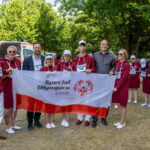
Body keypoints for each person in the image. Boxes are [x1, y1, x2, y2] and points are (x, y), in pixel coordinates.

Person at [91, 39, 115, 127]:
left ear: (108, 46)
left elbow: (114, 66)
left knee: (106, 101)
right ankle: (94, 119)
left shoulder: (111, 56)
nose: (104, 46)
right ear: (100, 45)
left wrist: (112, 70)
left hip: (107, 82)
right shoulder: (95, 55)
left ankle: (103, 118)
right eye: (102, 44)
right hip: (96, 82)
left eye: (106, 44)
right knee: (95, 101)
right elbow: (92, 67)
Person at [73, 40, 96, 127]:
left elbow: (94, 68)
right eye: (80, 45)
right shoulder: (75, 58)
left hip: (87, 82)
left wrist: (90, 70)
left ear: (85, 47)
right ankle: (80, 117)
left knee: (88, 100)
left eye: (83, 45)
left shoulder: (90, 58)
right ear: (78, 47)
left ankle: (87, 118)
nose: (82, 47)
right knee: (79, 100)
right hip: (78, 83)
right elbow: (73, 69)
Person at [23, 43, 45, 130]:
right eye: (35, 48)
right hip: (31, 86)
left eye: (38, 48)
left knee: (39, 104)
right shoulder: (27, 59)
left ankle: (37, 121)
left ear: (40, 49)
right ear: (33, 49)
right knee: (31, 105)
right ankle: (29, 123)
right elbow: (24, 73)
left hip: (41, 85)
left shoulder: (44, 59)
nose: (37, 49)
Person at [2, 46, 22, 134]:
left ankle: (13, 123)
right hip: (7, 87)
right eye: (10, 52)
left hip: (16, 86)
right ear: (7, 52)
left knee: (15, 106)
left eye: (13, 52)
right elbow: (1, 77)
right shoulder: (2, 62)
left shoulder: (18, 61)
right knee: (8, 107)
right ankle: (8, 126)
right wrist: (7, 72)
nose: (11, 53)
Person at [57, 50, 76, 127]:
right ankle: (64, 118)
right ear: (63, 56)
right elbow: (56, 74)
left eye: (68, 56)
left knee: (68, 103)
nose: (67, 57)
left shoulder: (73, 64)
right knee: (62, 103)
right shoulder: (59, 64)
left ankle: (67, 119)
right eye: (65, 56)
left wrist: (72, 71)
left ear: (70, 57)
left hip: (70, 87)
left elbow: (77, 75)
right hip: (61, 86)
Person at [112, 49, 130, 129]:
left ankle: (122, 122)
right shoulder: (118, 63)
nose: (119, 55)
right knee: (119, 104)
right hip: (116, 86)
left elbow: (124, 77)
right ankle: (120, 121)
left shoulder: (127, 64)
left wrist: (117, 87)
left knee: (123, 105)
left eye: (121, 54)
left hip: (123, 87)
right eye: (118, 54)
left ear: (125, 55)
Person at [40, 53, 57, 129]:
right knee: (46, 107)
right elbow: (40, 79)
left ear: (52, 60)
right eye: (47, 59)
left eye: (50, 59)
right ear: (45, 60)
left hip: (53, 90)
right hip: (45, 90)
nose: (49, 60)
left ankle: (52, 121)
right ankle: (47, 122)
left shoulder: (55, 68)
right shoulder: (42, 69)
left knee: (53, 106)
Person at [0, 61, 7, 139]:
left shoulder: (1, 63)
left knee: (1, 111)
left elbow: (2, 76)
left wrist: (8, 72)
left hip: (1, 91)